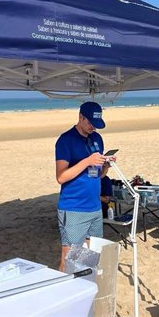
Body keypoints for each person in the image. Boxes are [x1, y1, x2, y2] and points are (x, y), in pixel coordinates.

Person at [55, 101, 113, 272]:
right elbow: (61, 177)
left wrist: (105, 166)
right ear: (80, 117)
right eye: (90, 124)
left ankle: (82, 289)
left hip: (94, 207)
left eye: (96, 125)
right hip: (74, 208)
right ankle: (62, 294)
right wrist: (87, 161)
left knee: (89, 257)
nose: (93, 128)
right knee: (69, 259)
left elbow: (98, 175)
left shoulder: (97, 139)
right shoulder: (66, 140)